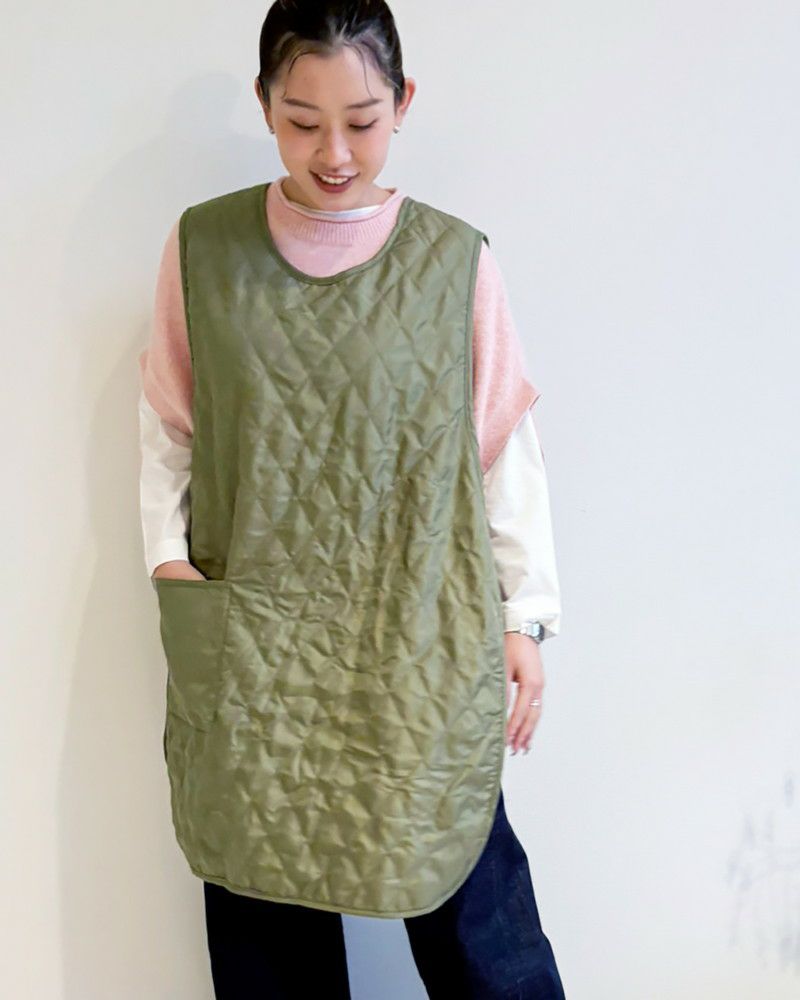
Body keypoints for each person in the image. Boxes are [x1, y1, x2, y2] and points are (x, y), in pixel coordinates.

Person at [138, 2, 566, 997]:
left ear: (402, 102)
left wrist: (525, 615)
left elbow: (502, 450)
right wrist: (170, 561)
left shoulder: (455, 261)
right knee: (264, 915)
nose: (333, 153)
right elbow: (168, 426)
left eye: (362, 121)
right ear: (264, 105)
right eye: (302, 121)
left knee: (477, 924)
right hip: (254, 649)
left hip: (414, 637)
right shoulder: (204, 249)